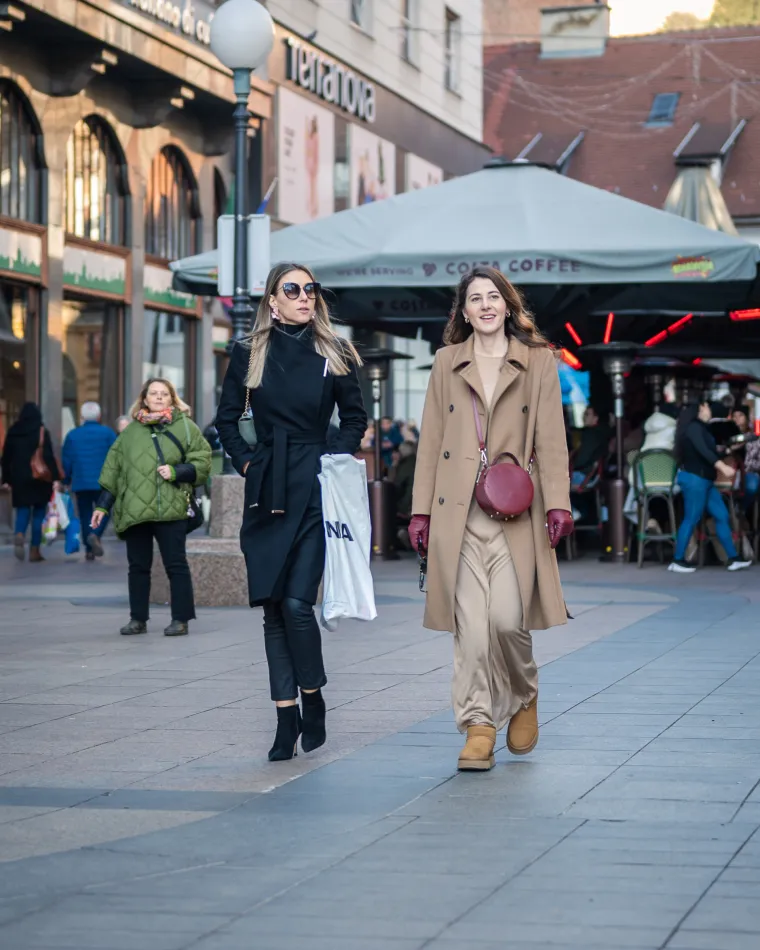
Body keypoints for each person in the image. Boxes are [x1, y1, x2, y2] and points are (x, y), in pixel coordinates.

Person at [409, 266, 573, 772]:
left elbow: (550, 439)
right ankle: (478, 724)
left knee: (506, 621)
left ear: (508, 305)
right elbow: (430, 441)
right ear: (463, 311)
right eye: (474, 298)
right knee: (471, 632)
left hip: (515, 512)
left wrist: (558, 503)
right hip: (456, 514)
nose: (484, 305)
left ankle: (524, 695)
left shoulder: (538, 363)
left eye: (493, 297)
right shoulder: (445, 363)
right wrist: (419, 511)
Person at [215, 262, 367, 763]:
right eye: (293, 289)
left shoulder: (335, 351)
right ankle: (285, 717)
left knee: (299, 604)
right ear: (272, 299)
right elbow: (225, 419)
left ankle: (314, 696)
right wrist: (246, 461)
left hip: (316, 484)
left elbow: (355, 416)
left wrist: (334, 457)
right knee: (273, 609)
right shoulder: (248, 352)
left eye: (311, 289)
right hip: (267, 484)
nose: (305, 296)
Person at [91, 378, 211, 636]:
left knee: (176, 564)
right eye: (153, 394)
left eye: (164, 394)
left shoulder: (186, 428)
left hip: (171, 509)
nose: (158, 398)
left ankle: (181, 619)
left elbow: (203, 463)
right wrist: (102, 507)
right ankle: (138, 619)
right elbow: (113, 471)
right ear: (144, 399)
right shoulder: (129, 433)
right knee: (138, 567)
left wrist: (177, 471)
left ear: (172, 399)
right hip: (136, 510)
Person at [668, 401, 751, 574]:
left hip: (704, 480)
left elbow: (710, 452)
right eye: (706, 407)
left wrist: (729, 451)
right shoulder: (694, 428)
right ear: (698, 410)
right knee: (691, 518)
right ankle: (677, 560)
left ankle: (733, 559)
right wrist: (723, 466)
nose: (709, 411)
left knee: (722, 515)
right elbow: (704, 451)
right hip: (695, 479)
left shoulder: (700, 428)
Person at [1, 402, 60, 563]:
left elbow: (6, 458)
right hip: (40, 478)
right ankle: (34, 551)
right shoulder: (41, 431)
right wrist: (56, 477)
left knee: (22, 510)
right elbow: (48, 456)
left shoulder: (13, 431)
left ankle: (19, 533)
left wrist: (6, 479)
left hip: (19, 479)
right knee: (39, 514)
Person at [61, 401, 117, 560]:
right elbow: (116, 457)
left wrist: (65, 479)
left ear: (82, 417)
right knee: (105, 511)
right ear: (99, 416)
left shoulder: (73, 435)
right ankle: (95, 534)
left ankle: (89, 549)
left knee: (85, 514)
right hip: (103, 482)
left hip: (81, 482)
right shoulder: (108, 433)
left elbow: (67, 460)